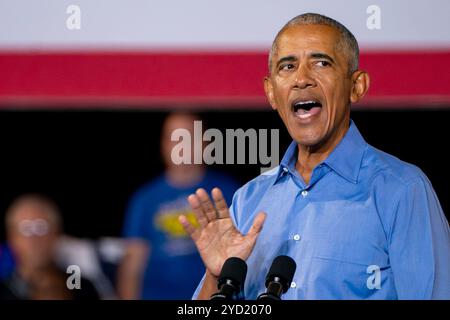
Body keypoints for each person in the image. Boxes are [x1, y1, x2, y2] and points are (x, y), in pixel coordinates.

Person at [179, 13, 450, 299]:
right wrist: (217, 277)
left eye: (321, 63)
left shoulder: (403, 190)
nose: (302, 79)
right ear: (271, 92)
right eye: (288, 66)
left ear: (356, 86)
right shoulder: (248, 200)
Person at [117, 112, 240, 299]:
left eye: (188, 136)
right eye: (174, 137)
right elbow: (132, 266)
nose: (181, 145)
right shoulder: (145, 199)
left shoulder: (229, 191)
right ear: (163, 144)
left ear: (205, 142)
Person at [0, 194, 100, 300]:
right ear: (11, 237)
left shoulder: (78, 285)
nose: (34, 240)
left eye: (41, 228)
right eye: (25, 229)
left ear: (56, 234)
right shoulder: (3, 291)